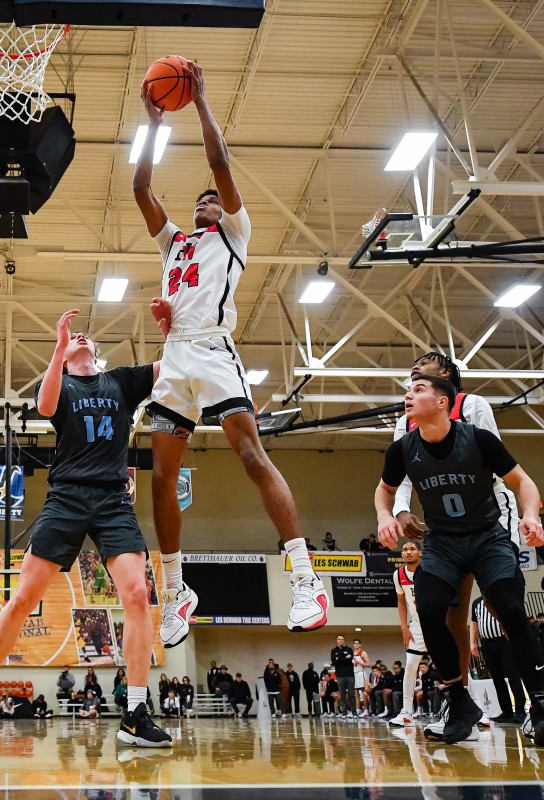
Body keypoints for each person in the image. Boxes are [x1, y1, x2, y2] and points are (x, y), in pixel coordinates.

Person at [131, 58, 326, 645]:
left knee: (249, 455)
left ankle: (305, 579)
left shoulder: (233, 235)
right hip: (175, 358)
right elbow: (140, 188)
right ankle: (176, 592)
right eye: (200, 200)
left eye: (212, 200)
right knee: (161, 479)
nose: (205, 201)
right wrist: (154, 123)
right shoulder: (175, 244)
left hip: (214, 352)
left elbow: (219, 161)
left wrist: (198, 103)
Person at [0, 309, 170, 749]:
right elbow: (44, 406)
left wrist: (169, 331)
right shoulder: (62, 384)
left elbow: (174, 364)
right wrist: (59, 347)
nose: (80, 336)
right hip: (67, 496)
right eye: (73, 339)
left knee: (138, 593)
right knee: (23, 597)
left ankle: (135, 714)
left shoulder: (119, 381)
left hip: (113, 499)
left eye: (85, 337)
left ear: (96, 353)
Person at [375, 374, 544, 747]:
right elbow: (383, 492)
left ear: (444, 402)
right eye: (408, 389)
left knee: (510, 607)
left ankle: (541, 708)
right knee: (429, 609)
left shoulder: (478, 438)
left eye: (418, 390)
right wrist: (386, 516)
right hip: (443, 541)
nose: (407, 394)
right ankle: (459, 702)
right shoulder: (402, 449)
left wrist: (531, 515)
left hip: (486, 536)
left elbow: (523, 482)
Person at [471, 595, 526, 724]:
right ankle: (506, 712)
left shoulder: (499, 598)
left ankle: (520, 711)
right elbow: (474, 623)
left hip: (504, 641)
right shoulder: (476, 603)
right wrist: (472, 642)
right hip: (486, 644)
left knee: (513, 675)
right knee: (497, 678)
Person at [390, 540, 427, 727]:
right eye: (405, 549)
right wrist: (404, 627)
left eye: (412, 549)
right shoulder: (398, 575)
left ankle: (476, 708)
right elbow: (401, 601)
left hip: (435, 623)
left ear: (420, 553)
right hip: (417, 626)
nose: (408, 552)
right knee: (411, 664)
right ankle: (406, 712)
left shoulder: (429, 570)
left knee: (451, 663)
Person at [330, 635, 355, 717]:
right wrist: (344, 658)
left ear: (344, 640)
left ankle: (353, 712)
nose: (340, 641)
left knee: (351, 694)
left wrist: (339, 658)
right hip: (340, 676)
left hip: (350, 675)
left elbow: (349, 659)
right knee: (342, 694)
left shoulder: (349, 649)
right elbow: (334, 662)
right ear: (337, 640)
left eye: (342, 639)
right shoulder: (333, 650)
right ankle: (343, 712)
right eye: (339, 639)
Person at [351, 639, 370, 716]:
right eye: (354, 643)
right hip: (354, 673)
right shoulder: (351, 653)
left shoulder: (363, 653)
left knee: (364, 692)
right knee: (356, 693)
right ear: (353, 645)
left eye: (357, 643)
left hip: (361, 673)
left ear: (360, 645)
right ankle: (358, 709)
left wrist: (360, 663)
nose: (356, 645)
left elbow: (369, 664)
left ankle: (366, 710)